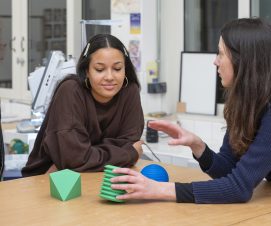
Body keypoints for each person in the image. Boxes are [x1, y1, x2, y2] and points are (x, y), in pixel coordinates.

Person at [110, 18, 271, 204]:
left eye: (220, 54)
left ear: (243, 60)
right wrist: (198, 146)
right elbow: (228, 170)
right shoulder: (246, 104)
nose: (215, 61)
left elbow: (238, 188)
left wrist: (159, 189)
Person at [22, 34, 144, 177]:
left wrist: (89, 154)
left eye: (117, 69)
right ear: (86, 70)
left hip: (101, 177)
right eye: (99, 69)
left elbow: (128, 142)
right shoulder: (70, 91)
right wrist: (127, 154)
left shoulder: (130, 90)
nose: (110, 77)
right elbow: (74, 159)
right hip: (50, 179)